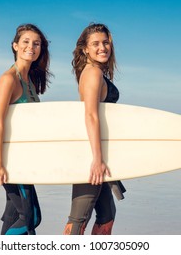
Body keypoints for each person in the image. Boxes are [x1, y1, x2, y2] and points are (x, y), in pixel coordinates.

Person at [63, 23, 126, 235]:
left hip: (98, 153)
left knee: (107, 215)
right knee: (79, 218)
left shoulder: (95, 72)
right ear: (85, 49)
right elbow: (90, 115)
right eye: (96, 44)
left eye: (106, 42)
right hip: (91, 157)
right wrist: (97, 160)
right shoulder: (92, 73)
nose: (103, 47)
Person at [0, 23, 52, 235]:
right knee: (31, 218)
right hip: (12, 161)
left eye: (36, 44)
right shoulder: (9, 79)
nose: (31, 47)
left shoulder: (30, 81)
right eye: (26, 42)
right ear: (15, 46)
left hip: (25, 158)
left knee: (14, 216)